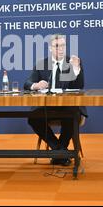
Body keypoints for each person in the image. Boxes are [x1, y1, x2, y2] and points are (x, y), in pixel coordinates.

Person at [24, 34, 86, 166]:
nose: (61, 49)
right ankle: (59, 150)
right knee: (33, 117)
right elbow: (27, 82)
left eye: (63, 46)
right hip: (47, 105)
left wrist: (76, 70)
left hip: (68, 105)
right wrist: (36, 85)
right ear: (50, 48)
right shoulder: (42, 64)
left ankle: (59, 151)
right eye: (57, 46)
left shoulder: (73, 62)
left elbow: (79, 87)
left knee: (73, 114)